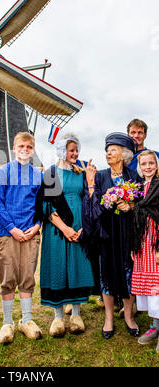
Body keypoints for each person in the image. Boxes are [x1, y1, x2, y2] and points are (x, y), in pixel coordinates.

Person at [35, 134, 95, 336]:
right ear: (62, 151)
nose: (75, 154)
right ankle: (58, 317)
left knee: (77, 265)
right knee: (57, 265)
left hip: (79, 224)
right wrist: (64, 228)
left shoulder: (81, 172)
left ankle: (76, 314)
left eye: (77, 150)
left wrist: (84, 226)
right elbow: (46, 205)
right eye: (71, 150)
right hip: (57, 228)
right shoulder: (51, 174)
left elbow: (88, 198)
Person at [84, 132, 141, 339]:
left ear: (124, 154)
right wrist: (91, 183)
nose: (108, 153)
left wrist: (132, 205)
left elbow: (143, 205)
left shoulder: (133, 177)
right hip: (105, 233)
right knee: (106, 273)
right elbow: (91, 206)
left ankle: (128, 316)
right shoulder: (100, 176)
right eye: (107, 150)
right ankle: (108, 317)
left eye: (113, 150)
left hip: (126, 232)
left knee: (128, 273)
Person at [0, 132, 42, 344]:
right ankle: (7, 322)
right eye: (21, 146)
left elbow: (42, 205)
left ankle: (27, 319)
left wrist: (37, 225)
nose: (25, 149)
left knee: (27, 277)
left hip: (30, 233)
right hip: (7, 233)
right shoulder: (2, 173)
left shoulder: (39, 175)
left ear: (33, 149)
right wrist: (12, 228)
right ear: (14, 147)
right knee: (8, 278)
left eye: (29, 147)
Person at [130, 150, 159, 353]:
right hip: (142, 243)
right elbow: (134, 219)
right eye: (144, 164)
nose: (147, 167)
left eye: (151, 163)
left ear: (156, 165)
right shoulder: (138, 188)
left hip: (156, 241)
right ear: (139, 167)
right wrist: (134, 245)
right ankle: (155, 327)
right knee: (150, 290)